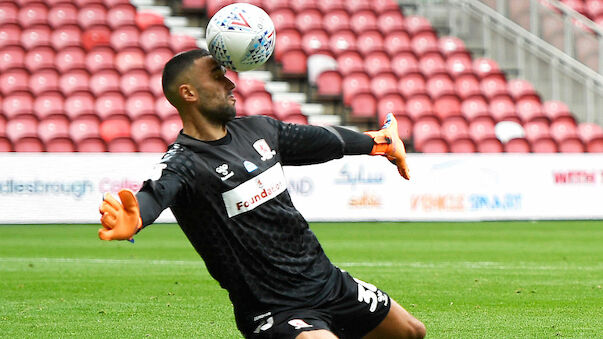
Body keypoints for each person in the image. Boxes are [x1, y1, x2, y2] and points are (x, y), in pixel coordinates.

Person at [98, 49, 425, 339]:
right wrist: (137, 214)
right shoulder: (183, 163)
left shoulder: (259, 130)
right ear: (189, 93)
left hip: (327, 281)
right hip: (274, 309)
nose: (231, 85)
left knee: (411, 332)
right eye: (217, 77)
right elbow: (156, 193)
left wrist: (380, 143)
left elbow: (326, 141)